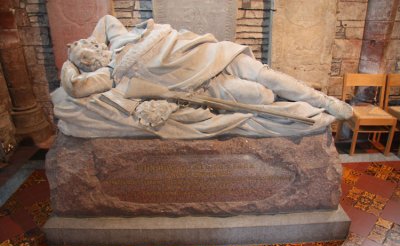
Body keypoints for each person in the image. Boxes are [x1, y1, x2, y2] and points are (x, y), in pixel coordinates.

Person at [54, 15, 352, 139]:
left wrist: (82, 44)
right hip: (206, 84)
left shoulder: (118, 37)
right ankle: (305, 112)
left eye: (89, 47)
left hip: (212, 55)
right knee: (261, 96)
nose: (90, 52)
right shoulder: (109, 75)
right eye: (84, 58)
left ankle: (325, 101)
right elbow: (75, 88)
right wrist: (70, 64)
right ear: (87, 66)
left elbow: (104, 21)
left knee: (267, 75)